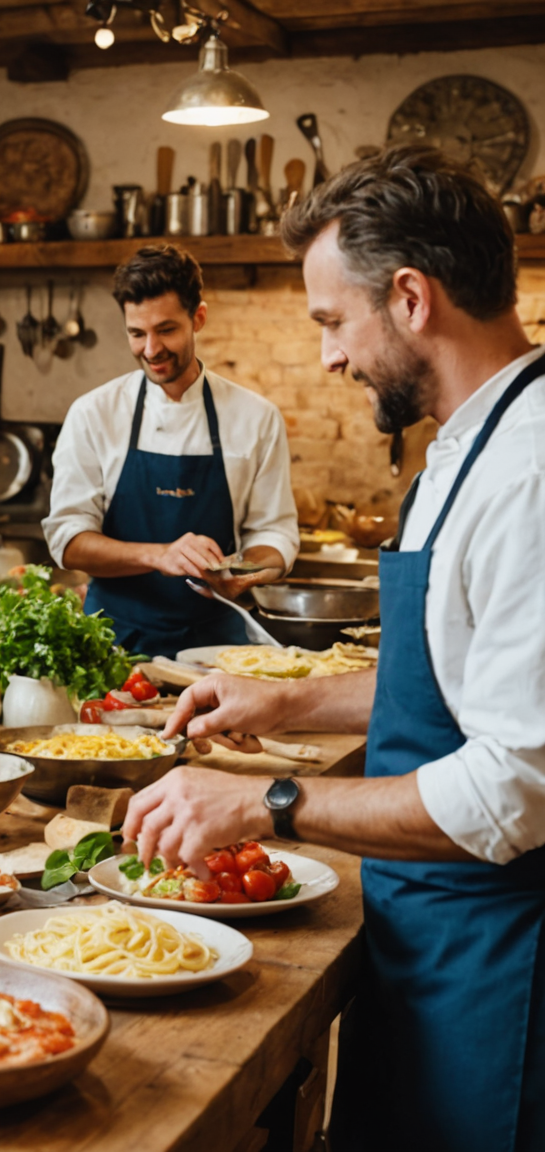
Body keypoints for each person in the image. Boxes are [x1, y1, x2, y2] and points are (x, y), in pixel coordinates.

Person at [124, 145, 545, 1151]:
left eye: (329, 321)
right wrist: (288, 704)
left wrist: (270, 801)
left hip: (501, 961)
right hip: (425, 938)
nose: (327, 357)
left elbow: (515, 786)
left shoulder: (531, 472)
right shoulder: (465, 444)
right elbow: (452, 680)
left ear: (409, 298)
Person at [44, 245, 298, 658]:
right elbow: (69, 541)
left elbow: (274, 533)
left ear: (198, 317)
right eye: (136, 333)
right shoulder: (94, 414)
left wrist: (246, 571)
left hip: (220, 648)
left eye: (166, 330)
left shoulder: (256, 418)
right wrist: (160, 555)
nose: (150, 349)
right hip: (110, 645)